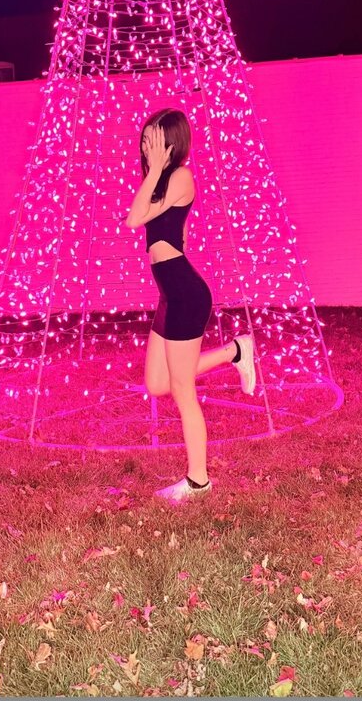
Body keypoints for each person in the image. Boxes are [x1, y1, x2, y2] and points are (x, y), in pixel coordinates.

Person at [125, 107, 256, 502]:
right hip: (171, 295)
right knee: (157, 383)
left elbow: (134, 219)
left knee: (183, 390)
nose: (146, 146)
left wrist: (154, 170)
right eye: (144, 139)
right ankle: (235, 351)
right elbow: (161, 227)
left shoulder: (180, 176)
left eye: (153, 140)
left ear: (172, 144)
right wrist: (152, 171)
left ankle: (198, 481)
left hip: (186, 294)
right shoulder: (159, 182)